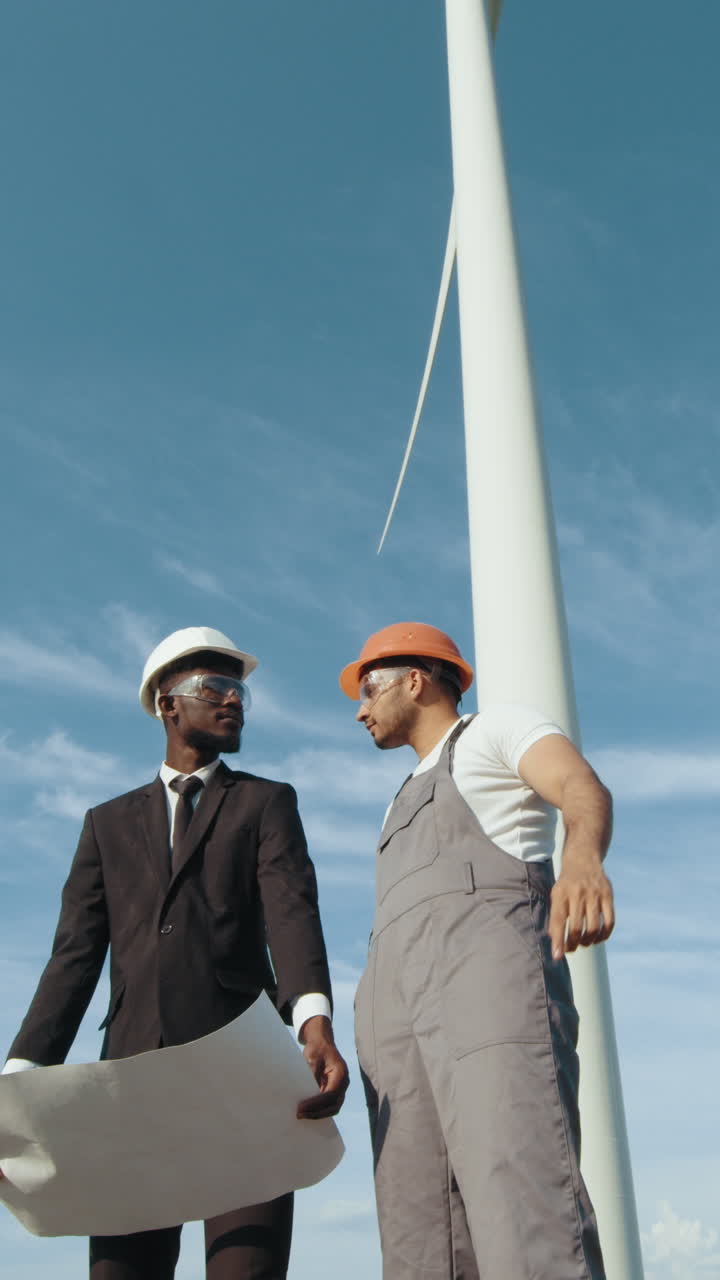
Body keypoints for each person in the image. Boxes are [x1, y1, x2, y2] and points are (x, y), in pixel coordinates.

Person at [2, 625, 348, 1280]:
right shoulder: (105, 825)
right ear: (167, 704)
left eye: (240, 690)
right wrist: (14, 1092)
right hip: (131, 1087)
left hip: (244, 1075)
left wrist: (314, 1023)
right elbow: (73, 960)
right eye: (215, 687)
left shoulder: (266, 803)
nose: (234, 700)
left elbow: (292, 916)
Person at [340, 622, 614, 1280]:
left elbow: (580, 786)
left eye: (370, 689)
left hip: (488, 994)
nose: (360, 709)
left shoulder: (496, 731)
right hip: (397, 1022)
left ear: (415, 680)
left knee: (520, 1195)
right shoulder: (395, 805)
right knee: (416, 1230)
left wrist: (581, 858)